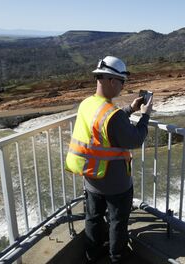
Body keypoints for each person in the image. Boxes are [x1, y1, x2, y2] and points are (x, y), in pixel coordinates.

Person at [65, 56, 152, 263]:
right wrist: (145, 115)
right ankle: (117, 256)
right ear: (112, 81)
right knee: (117, 222)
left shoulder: (88, 104)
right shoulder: (112, 114)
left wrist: (130, 109)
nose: (123, 86)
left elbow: (103, 123)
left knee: (93, 218)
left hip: (92, 176)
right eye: (122, 82)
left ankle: (93, 254)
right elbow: (135, 139)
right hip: (115, 182)